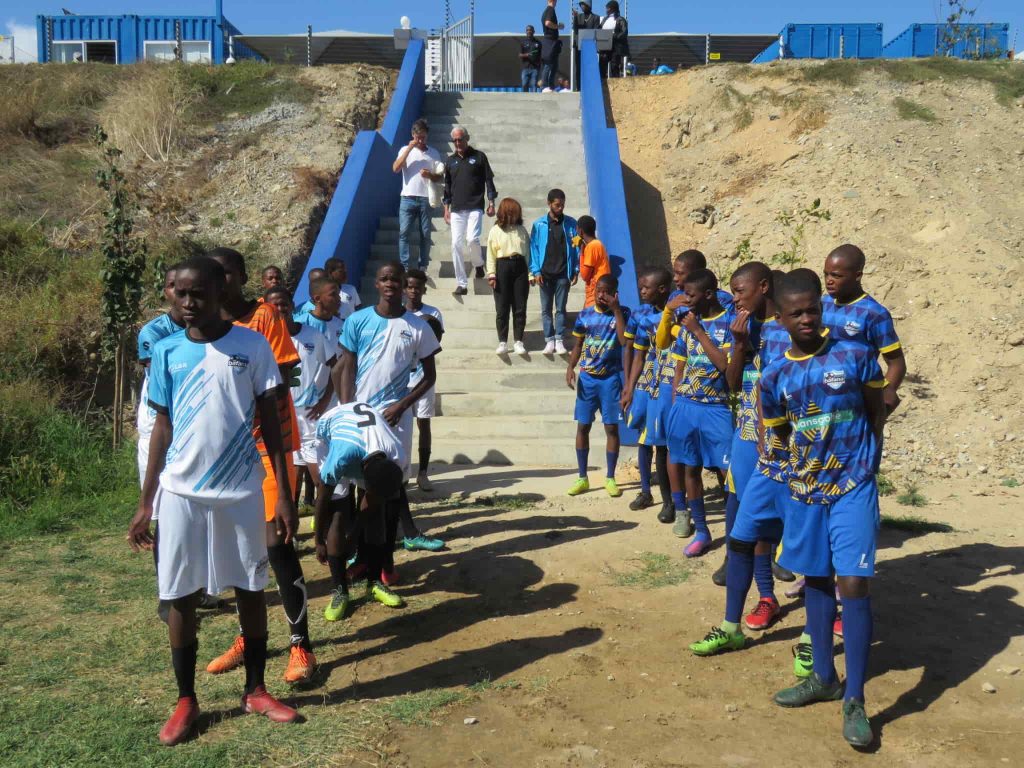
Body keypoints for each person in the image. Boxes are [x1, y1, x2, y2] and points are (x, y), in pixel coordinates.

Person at [127, 257, 299, 747]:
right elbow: (161, 427)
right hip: (181, 494)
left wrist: (284, 495)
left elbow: (273, 421)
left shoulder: (252, 345)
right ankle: (186, 700)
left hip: (243, 489)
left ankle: (257, 689)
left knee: (250, 586)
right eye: (177, 292)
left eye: (196, 292)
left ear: (219, 290)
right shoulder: (166, 353)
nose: (187, 302)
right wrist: (147, 501)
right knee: (180, 594)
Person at [759, 270, 887, 748]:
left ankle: (855, 698)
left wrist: (871, 457)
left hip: (853, 481)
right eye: (798, 313)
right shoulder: (775, 373)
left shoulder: (854, 353)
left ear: (821, 307)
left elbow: (878, 403)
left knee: (852, 580)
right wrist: (796, 469)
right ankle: (823, 678)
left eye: (813, 309)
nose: (808, 318)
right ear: (783, 318)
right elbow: (780, 430)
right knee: (815, 577)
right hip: (807, 487)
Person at [204, 248, 316, 685]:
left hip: (270, 444)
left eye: (226, 274)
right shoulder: (209, 329)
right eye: (212, 275)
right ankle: (247, 637)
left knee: (277, 544)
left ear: (242, 277)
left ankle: (300, 645)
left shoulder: (265, 317)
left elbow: (280, 381)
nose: (219, 282)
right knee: (241, 549)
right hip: (229, 450)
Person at [686, 264, 796, 656]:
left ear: (763, 287)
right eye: (732, 291)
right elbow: (731, 383)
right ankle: (736, 620)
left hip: (786, 446)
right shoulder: (743, 327)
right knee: (741, 533)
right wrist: (737, 344)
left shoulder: (790, 331)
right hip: (747, 440)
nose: (735, 297)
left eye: (741, 290)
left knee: (791, 530)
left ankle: (812, 616)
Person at [334, 262, 443, 585]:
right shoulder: (357, 321)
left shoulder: (418, 327)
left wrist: (403, 404)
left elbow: (429, 376)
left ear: (403, 284)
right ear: (377, 285)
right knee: (362, 487)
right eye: (384, 279)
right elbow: (346, 368)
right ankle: (364, 558)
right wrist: (347, 409)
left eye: (396, 279)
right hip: (361, 418)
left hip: (396, 419)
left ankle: (387, 561)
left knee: (392, 489)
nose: (390, 284)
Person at [312, 401, 407, 621]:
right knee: (337, 511)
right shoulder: (340, 456)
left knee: (376, 514)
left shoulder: (397, 455)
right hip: (328, 435)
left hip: (365, 440)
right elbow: (322, 497)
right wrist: (318, 540)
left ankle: (374, 582)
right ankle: (340, 591)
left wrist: (354, 535)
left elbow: (373, 499)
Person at [666, 269, 733, 557]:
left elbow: (726, 367)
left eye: (690, 295)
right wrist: (675, 402)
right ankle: (703, 531)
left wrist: (698, 331)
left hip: (716, 408)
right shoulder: (686, 324)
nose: (685, 300)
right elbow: (679, 366)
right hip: (685, 406)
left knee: (728, 474)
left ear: (708, 295)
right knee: (689, 468)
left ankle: (736, 536)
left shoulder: (727, 323)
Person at [264, 286, 337, 509]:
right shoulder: (262, 341)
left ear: (292, 306)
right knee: (288, 478)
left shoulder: (313, 335)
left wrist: (325, 399)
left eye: (283, 304)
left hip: (310, 417)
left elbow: (336, 366)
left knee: (319, 476)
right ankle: (291, 524)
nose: (279, 309)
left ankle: (322, 526)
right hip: (282, 418)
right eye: (273, 305)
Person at [821, 244, 906, 415]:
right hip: (823, 398)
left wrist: (882, 402)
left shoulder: (874, 313)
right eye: (826, 274)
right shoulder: (821, 305)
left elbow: (896, 363)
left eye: (836, 275)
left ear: (857, 276)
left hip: (856, 400)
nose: (829, 280)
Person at [566, 274, 630, 498]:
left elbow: (623, 341)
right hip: (588, 379)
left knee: (611, 428)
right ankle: (582, 477)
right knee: (583, 426)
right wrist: (570, 367)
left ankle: (610, 478)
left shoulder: (623, 314)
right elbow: (578, 343)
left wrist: (617, 310)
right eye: (598, 291)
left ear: (614, 293)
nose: (601, 295)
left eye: (606, 291)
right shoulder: (585, 315)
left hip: (610, 380)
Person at [621, 267, 673, 518]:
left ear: (661, 289)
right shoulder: (642, 315)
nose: (641, 291)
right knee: (644, 435)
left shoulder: (680, 312)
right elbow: (637, 352)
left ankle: (672, 498)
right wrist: (629, 387)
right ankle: (645, 490)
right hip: (648, 383)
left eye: (645, 287)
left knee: (664, 441)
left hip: (671, 381)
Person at [404, 268, 446, 501]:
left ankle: (422, 472)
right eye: (409, 287)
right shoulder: (399, 314)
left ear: (423, 290)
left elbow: (436, 341)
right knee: (402, 427)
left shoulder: (433, 314)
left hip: (423, 379)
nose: (413, 291)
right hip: (401, 381)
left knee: (424, 424)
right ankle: (403, 470)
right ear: (404, 289)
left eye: (417, 287)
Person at [443, 127, 497, 296]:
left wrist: (491, 202)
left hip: (475, 206)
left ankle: (478, 264)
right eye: (455, 141)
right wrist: (446, 209)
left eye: (461, 139)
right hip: (457, 209)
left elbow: (489, 180)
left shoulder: (479, 157)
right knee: (455, 244)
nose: (458, 143)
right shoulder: (450, 161)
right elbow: (447, 187)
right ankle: (462, 283)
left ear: (467, 138)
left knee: (472, 239)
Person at [529, 188, 580, 355]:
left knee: (560, 308)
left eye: (563, 205)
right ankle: (549, 340)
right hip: (544, 274)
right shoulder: (539, 225)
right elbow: (534, 249)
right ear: (549, 203)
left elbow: (577, 249)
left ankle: (559, 339)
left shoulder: (571, 224)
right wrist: (536, 271)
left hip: (563, 274)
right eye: (557, 205)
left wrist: (575, 270)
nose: (560, 208)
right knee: (545, 309)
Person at [393, 119, 443, 272]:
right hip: (407, 198)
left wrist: (430, 175)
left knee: (425, 234)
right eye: (418, 136)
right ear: (413, 134)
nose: (420, 140)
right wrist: (410, 148)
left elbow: (440, 177)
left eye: (423, 136)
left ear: (427, 135)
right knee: (404, 233)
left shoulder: (433, 153)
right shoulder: (404, 150)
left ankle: (423, 266)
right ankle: (405, 266)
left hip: (425, 199)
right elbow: (395, 168)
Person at [486, 197, 531, 355]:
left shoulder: (521, 230)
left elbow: (528, 254)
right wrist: (491, 274)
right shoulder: (495, 230)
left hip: (520, 267)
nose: (515, 216)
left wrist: (530, 274)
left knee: (520, 306)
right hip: (502, 267)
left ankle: (518, 340)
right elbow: (490, 254)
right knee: (502, 306)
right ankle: (503, 341)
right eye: (512, 212)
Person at [576, 215, 610, 308]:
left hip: (597, 293)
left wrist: (582, 252)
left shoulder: (592, 246)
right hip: (597, 292)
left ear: (580, 231)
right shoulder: (597, 244)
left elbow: (584, 275)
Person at [540, 0, 565, 89]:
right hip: (550, 41)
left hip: (551, 41)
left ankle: (550, 86)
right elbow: (547, 23)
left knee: (554, 65)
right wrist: (558, 27)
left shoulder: (547, 10)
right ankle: (544, 86)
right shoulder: (550, 10)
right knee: (549, 64)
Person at [601, 1, 630, 78]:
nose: (606, 10)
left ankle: (615, 81)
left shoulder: (621, 19)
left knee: (614, 65)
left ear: (612, 8)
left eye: (608, 8)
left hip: (616, 47)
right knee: (602, 63)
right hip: (605, 46)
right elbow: (599, 29)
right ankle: (603, 81)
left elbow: (624, 33)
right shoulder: (604, 19)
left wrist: (614, 36)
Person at [519, 25, 543, 92]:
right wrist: (526, 55)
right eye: (527, 30)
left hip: (535, 68)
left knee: (534, 84)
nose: (529, 31)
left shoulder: (538, 43)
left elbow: (541, 55)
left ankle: (534, 100)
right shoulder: (523, 42)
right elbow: (520, 55)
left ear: (534, 31)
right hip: (525, 68)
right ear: (526, 32)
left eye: (530, 30)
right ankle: (525, 99)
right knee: (524, 84)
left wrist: (539, 66)